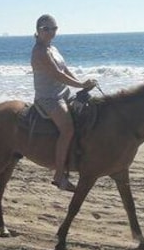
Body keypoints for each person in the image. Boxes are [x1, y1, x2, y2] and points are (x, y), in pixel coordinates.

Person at [31, 14, 97, 192]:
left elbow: (64, 69)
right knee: (67, 128)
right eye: (46, 29)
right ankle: (59, 176)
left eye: (54, 28)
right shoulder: (39, 51)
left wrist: (82, 85)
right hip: (48, 97)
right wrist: (81, 85)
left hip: (63, 92)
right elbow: (56, 75)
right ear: (38, 31)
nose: (51, 32)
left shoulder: (53, 48)